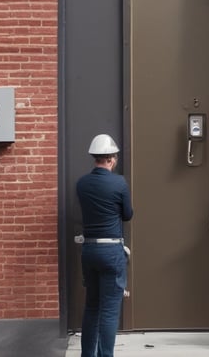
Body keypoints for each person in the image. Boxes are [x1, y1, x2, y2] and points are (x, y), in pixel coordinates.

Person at [76, 134, 134, 357]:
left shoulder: (82, 184)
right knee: (109, 311)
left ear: (95, 157)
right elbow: (127, 215)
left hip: (89, 250)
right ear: (111, 159)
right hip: (111, 251)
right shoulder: (119, 183)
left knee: (92, 307)